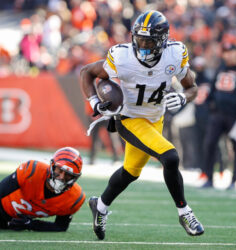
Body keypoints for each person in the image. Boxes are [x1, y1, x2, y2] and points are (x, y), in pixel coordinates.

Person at [79, 10, 204, 239]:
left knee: (130, 172)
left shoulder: (175, 54)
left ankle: (100, 206)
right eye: (139, 39)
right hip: (129, 118)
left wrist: (184, 97)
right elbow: (87, 72)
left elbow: (192, 87)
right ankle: (185, 212)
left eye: (149, 40)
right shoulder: (122, 56)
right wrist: (96, 102)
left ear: (163, 41)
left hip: (155, 118)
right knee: (170, 157)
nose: (143, 45)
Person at [0, 147, 85, 233]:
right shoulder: (33, 171)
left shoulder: (74, 198)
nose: (61, 177)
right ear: (52, 166)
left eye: (68, 175)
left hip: (11, 220)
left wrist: (30, 224)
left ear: (75, 177)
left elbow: (60, 226)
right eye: (59, 170)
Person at [201, 43, 236, 190]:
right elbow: (212, 88)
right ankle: (209, 177)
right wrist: (209, 103)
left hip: (234, 116)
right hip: (218, 114)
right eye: (226, 52)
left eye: (231, 51)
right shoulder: (220, 68)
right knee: (209, 144)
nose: (228, 54)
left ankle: (234, 180)